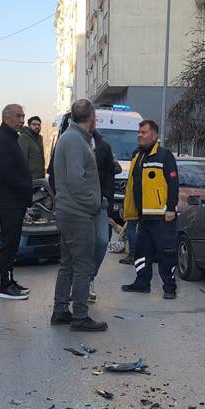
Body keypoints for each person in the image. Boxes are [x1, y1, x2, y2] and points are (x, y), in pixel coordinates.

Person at [51, 99, 107, 332]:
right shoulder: (75, 141)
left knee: (68, 264)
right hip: (77, 214)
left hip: (69, 212)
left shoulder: (72, 138)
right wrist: (93, 203)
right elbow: (76, 180)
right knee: (83, 266)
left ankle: (61, 311)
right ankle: (80, 317)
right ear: (92, 117)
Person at [121, 119, 179, 299]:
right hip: (143, 216)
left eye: (143, 132)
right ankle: (142, 283)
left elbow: (173, 183)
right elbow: (132, 185)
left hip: (162, 216)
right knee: (141, 251)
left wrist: (171, 208)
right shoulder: (137, 156)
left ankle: (169, 288)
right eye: (138, 132)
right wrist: (129, 208)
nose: (139, 135)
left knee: (166, 253)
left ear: (154, 135)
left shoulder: (164, 156)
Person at [0, 103, 33, 300]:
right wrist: (26, 188)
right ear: (6, 118)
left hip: (14, 201)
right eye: (18, 116)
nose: (22, 120)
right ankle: (4, 286)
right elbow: (7, 175)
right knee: (8, 243)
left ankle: (10, 280)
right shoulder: (2, 140)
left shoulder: (10, 138)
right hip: (8, 202)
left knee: (12, 243)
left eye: (23, 116)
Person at [89, 128, 122, 302]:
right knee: (79, 244)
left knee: (102, 241)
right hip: (77, 204)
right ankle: (80, 283)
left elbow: (113, 171)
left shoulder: (104, 146)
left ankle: (90, 276)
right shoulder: (70, 142)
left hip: (100, 203)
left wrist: (107, 198)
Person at [18, 116, 46, 180]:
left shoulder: (39, 138)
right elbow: (22, 160)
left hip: (39, 178)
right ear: (29, 125)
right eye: (34, 124)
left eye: (39, 125)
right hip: (30, 179)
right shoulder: (24, 137)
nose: (37, 127)